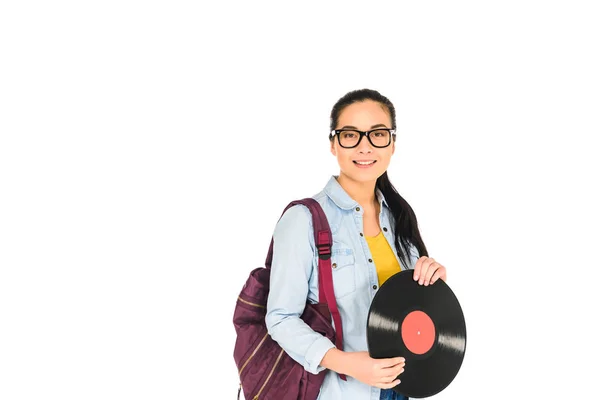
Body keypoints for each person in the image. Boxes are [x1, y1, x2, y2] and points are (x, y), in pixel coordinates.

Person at [265, 88, 448, 400]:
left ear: (392, 143)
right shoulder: (303, 220)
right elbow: (280, 318)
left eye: (377, 134)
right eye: (350, 135)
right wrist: (348, 364)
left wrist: (432, 283)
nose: (364, 146)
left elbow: (408, 312)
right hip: (342, 391)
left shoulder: (400, 217)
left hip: (404, 388)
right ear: (334, 144)